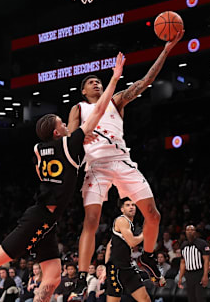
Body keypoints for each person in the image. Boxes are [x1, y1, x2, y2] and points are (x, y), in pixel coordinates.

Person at [0, 52, 126, 302]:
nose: (67, 126)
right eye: (63, 124)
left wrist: (78, 140)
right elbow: (96, 114)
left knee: (52, 278)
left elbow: (64, 150)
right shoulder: (68, 144)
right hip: (40, 215)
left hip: (48, 220)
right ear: (57, 131)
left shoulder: (40, 149)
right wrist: (114, 79)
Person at [71, 36, 185, 288]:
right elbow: (69, 137)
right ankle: (81, 275)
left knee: (153, 215)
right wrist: (78, 136)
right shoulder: (79, 108)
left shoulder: (116, 99)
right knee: (91, 220)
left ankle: (147, 256)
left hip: (122, 161)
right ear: (83, 91)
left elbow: (146, 81)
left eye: (99, 81)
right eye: (91, 82)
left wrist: (166, 49)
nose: (96, 84)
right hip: (96, 167)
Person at [104, 198, 151, 302]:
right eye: (128, 205)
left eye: (133, 205)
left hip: (127, 267)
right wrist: (145, 234)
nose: (131, 207)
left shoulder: (130, 224)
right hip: (116, 268)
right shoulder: (122, 220)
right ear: (122, 209)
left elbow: (109, 244)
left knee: (145, 299)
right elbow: (132, 242)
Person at [177, 225, 210, 302]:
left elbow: (206, 260)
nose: (189, 231)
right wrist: (180, 277)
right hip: (188, 274)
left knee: (200, 297)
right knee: (191, 298)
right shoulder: (183, 245)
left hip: (199, 273)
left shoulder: (202, 243)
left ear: (195, 232)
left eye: (192, 230)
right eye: (188, 230)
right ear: (185, 232)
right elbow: (183, 263)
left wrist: (205, 275)